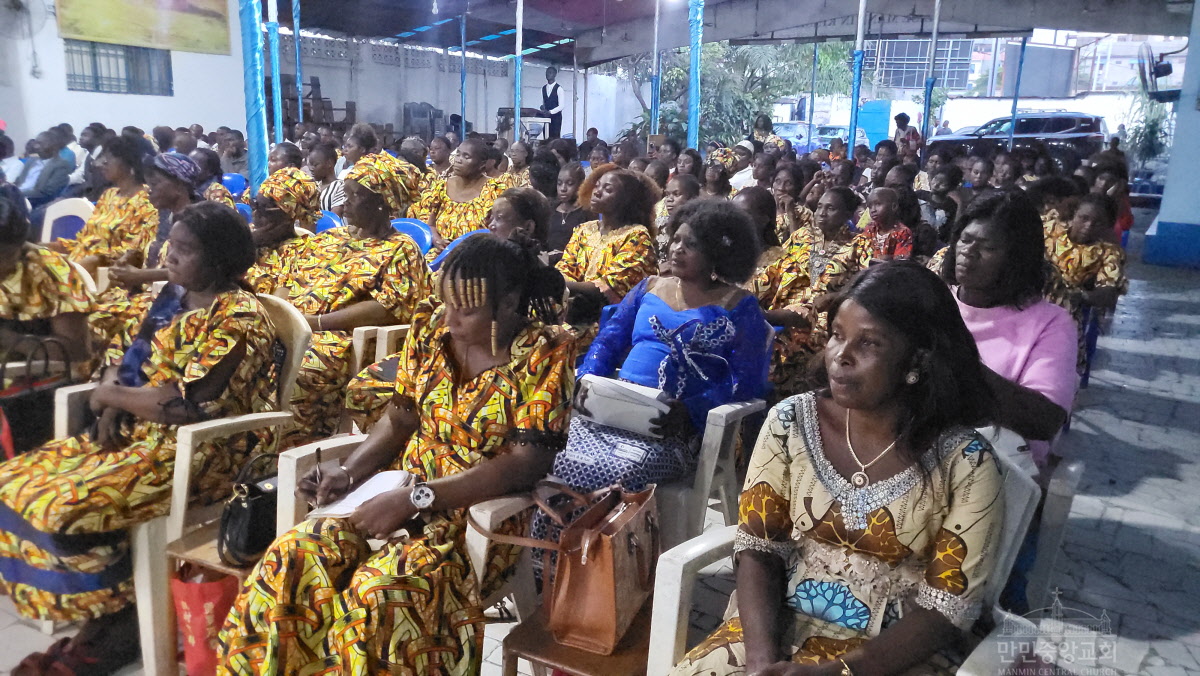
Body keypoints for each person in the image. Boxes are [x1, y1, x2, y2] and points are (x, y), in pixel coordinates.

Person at [219, 235, 572, 674]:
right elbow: (399, 418)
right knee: (295, 555)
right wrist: (349, 473)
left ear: (508, 304)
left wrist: (417, 499)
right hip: (397, 488)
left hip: (476, 515)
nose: (449, 318)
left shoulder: (544, 352)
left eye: (465, 310)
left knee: (377, 593)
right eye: (446, 304)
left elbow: (525, 464)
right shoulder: (430, 327)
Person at [672, 261, 1004, 676]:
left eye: (869, 344)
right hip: (776, 625)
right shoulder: (791, 422)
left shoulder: (967, 462)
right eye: (837, 335)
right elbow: (759, 548)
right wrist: (762, 664)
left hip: (896, 652)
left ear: (918, 358)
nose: (841, 356)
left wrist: (837, 672)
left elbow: (946, 609)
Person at [2, 202, 279, 675]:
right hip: (136, 434)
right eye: (172, 243)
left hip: (198, 453)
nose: (170, 255)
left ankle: (116, 623)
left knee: (61, 506)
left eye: (186, 249)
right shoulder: (174, 295)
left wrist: (112, 396)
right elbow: (123, 355)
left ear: (219, 260)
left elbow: (185, 405)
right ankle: (107, 616)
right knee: (12, 481)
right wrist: (114, 397)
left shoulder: (238, 317)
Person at [538, 199, 770, 545]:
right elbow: (608, 342)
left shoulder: (738, 306)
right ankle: (555, 553)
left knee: (620, 471)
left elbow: (744, 382)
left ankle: (611, 558)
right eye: (675, 239)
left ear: (717, 255)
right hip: (615, 411)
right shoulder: (648, 287)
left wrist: (689, 411)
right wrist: (587, 379)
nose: (676, 249)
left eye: (691, 244)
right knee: (552, 454)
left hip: (676, 431)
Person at [279, 155, 435, 446]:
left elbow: (388, 307)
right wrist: (279, 317)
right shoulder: (328, 238)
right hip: (293, 324)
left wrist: (315, 323)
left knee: (298, 367)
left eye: (355, 195)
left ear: (382, 202)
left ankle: (297, 446)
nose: (345, 202)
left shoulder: (400, 248)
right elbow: (288, 281)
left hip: (336, 337)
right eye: (345, 193)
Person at [938, 191, 1076, 471]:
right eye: (965, 239)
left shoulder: (1050, 323)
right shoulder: (935, 299)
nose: (968, 252)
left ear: (1016, 258)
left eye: (987, 247)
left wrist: (957, 361)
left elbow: (1044, 420)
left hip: (997, 467)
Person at [754, 186, 862, 396]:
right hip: (785, 302)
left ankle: (767, 317)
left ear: (847, 214)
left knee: (794, 334)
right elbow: (777, 269)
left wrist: (836, 296)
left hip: (826, 314)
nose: (821, 213)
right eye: (819, 207)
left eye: (830, 208)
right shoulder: (802, 235)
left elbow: (864, 285)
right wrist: (749, 293)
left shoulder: (858, 244)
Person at [0, 185, 93, 371]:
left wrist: (9, 339)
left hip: (31, 376)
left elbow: (78, 353)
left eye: (6, 255)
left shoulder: (51, 270)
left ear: (22, 244)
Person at [556, 164, 659, 309]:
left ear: (626, 200)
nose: (597, 192)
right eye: (597, 186)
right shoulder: (584, 230)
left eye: (608, 189)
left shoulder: (636, 236)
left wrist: (558, 284)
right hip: (571, 306)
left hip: (608, 316)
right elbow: (567, 267)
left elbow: (612, 286)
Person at [54, 136, 158, 277]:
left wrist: (97, 259)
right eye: (104, 157)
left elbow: (134, 252)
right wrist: (50, 247)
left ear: (131, 163)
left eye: (110, 157)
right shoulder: (109, 195)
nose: (103, 162)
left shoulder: (146, 201)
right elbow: (84, 240)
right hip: (79, 264)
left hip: (105, 273)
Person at [1043, 193, 1127, 348]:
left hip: (1065, 315)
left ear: (1107, 226)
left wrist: (1081, 296)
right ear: (1074, 214)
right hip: (1028, 305)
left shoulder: (1107, 253)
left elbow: (1108, 293)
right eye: (1084, 218)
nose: (1089, 226)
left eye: (1098, 223)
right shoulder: (1049, 230)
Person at [408, 138, 506, 249]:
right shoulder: (442, 186)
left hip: (479, 252)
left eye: (466, 157)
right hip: (442, 252)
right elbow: (430, 224)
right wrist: (437, 240)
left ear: (482, 164)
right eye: (458, 154)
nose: (458, 160)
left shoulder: (495, 190)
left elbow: (500, 230)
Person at [244, 166, 321, 294]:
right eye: (254, 204)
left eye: (264, 209)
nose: (255, 214)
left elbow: (276, 300)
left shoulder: (303, 253)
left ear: (290, 215)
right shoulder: (248, 235)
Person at [546, 161, 594, 256]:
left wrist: (564, 255)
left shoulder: (587, 212)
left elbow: (589, 247)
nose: (563, 188)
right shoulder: (550, 210)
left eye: (570, 183)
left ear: (581, 185)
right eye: (559, 183)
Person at [15, 130, 72, 208]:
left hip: (34, 201)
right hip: (17, 197)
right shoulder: (31, 161)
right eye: (36, 143)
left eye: (40, 144)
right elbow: (18, 181)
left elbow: (46, 193)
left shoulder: (61, 165)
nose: (36, 147)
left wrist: (18, 194)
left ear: (54, 147)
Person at [656, 173, 703, 263]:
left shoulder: (699, 228)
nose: (669, 199)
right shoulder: (660, 223)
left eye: (676, 194)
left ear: (692, 197)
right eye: (667, 194)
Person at [860, 187, 913, 262]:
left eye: (878, 204)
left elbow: (901, 262)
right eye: (870, 207)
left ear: (894, 206)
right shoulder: (869, 229)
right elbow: (861, 253)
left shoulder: (902, 232)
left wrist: (889, 259)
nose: (873, 210)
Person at [771, 163, 816, 243]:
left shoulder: (804, 214)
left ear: (797, 187)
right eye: (777, 181)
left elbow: (799, 246)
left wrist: (791, 214)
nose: (781, 188)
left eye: (788, 183)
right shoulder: (764, 206)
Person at [308, 141, 345, 217]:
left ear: (329, 163)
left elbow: (334, 217)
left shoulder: (341, 186)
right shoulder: (314, 186)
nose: (311, 168)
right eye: (310, 164)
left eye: (315, 165)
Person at [540, 66, 564, 139]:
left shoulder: (559, 88)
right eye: (547, 72)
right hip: (546, 118)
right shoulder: (543, 88)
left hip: (556, 118)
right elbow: (544, 102)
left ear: (555, 74)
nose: (548, 74)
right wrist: (543, 108)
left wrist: (550, 112)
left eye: (550, 72)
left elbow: (561, 106)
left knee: (555, 138)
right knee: (546, 136)